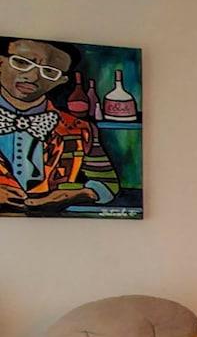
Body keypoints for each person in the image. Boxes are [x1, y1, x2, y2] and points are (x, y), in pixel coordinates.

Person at [1, 37, 121, 213]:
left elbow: (108, 184)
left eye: (50, 72)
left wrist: (78, 194)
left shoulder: (79, 129)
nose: (32, 77)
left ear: (61, 80)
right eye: (22, 62)